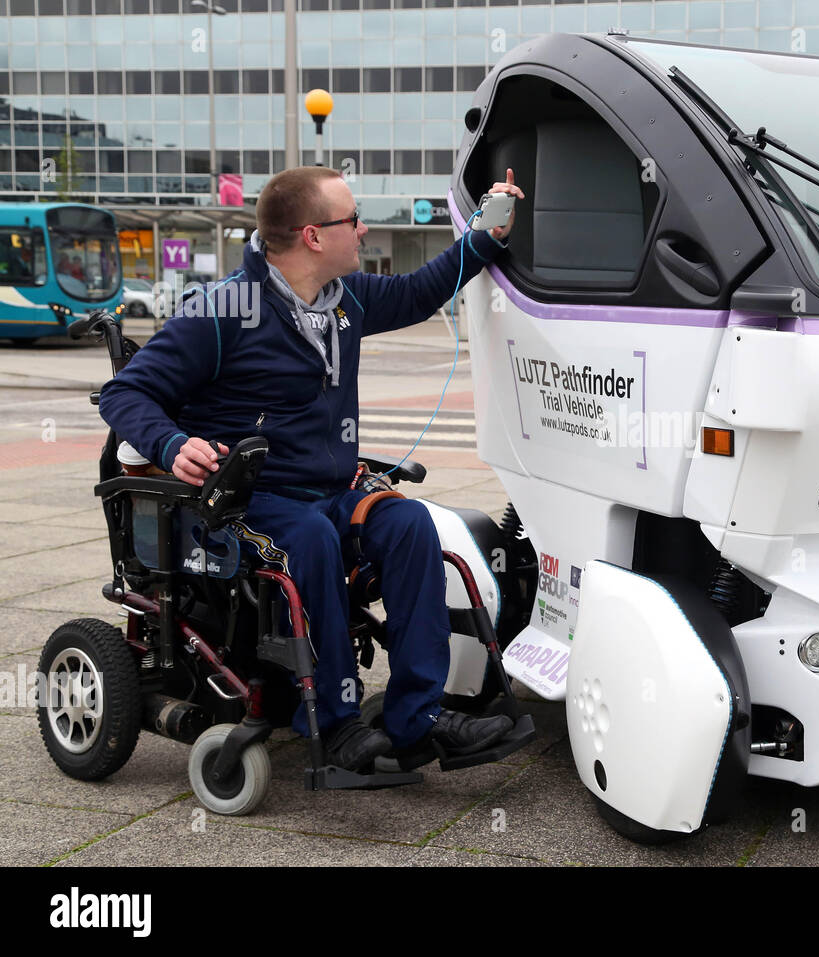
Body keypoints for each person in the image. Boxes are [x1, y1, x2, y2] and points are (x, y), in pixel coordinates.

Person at [98, 165, 527, 772]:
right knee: (313, 541)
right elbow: (124, 395)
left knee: (409, 526)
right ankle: (334, 720)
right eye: (353, 219)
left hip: (327, 490)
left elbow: (420, 289)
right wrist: (171, 445)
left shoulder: (345, 298)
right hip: (243, 503)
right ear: (314, 237)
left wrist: (489, 230)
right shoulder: (223, 312)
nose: (364, 228)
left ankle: (417, 718)